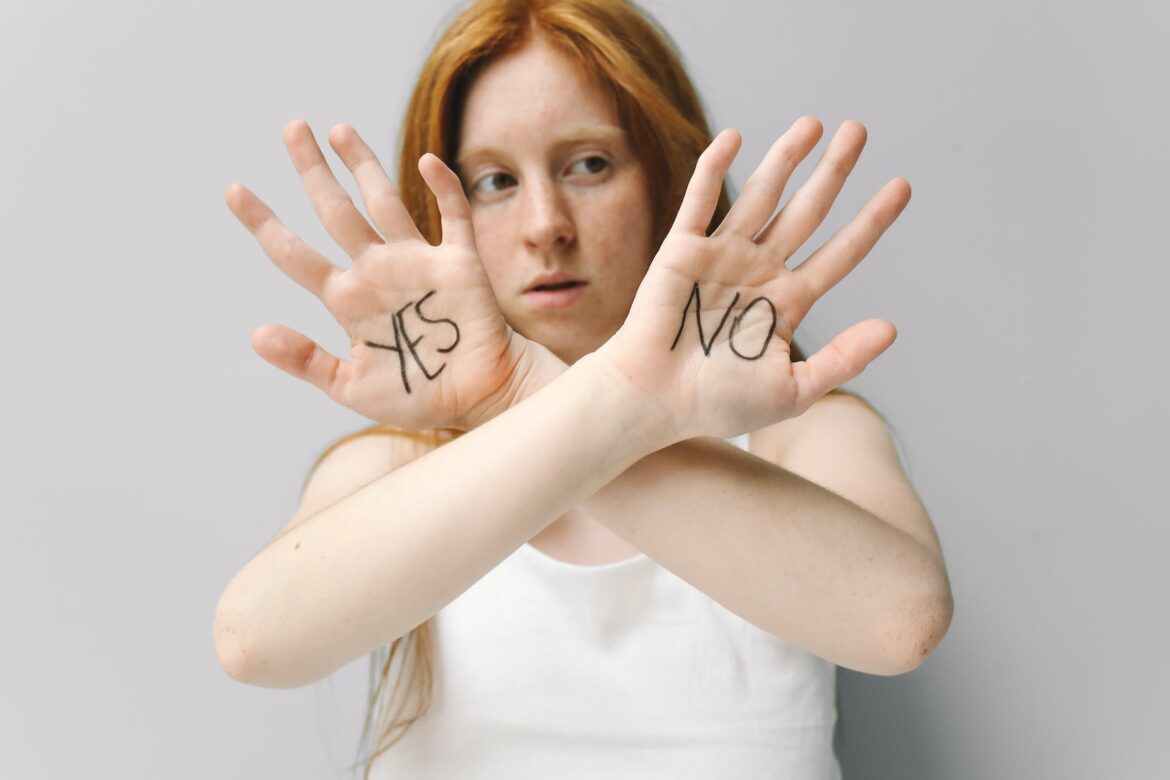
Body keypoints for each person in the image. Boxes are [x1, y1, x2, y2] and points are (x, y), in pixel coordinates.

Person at [214, 0, 953, 777]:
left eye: (590, 165)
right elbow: (252, 641)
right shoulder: (395, 463)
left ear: (664, 181)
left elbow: (901, 623)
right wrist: (574, 400)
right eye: (495, 180)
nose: (546, 224)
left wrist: (530, 393)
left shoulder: (802, 435)